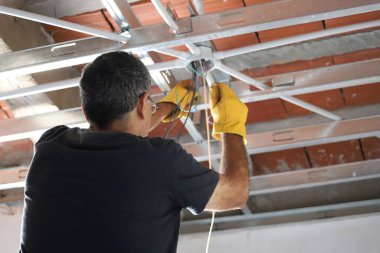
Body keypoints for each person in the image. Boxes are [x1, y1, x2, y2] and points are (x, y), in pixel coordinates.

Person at [19, 51, 249, 253]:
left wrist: (166, 108)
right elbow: (235, 193)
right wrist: (231, 128)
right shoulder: (163, 162)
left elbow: (115, 138)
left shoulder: (50, 146)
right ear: (141, 103)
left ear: (84, 110)